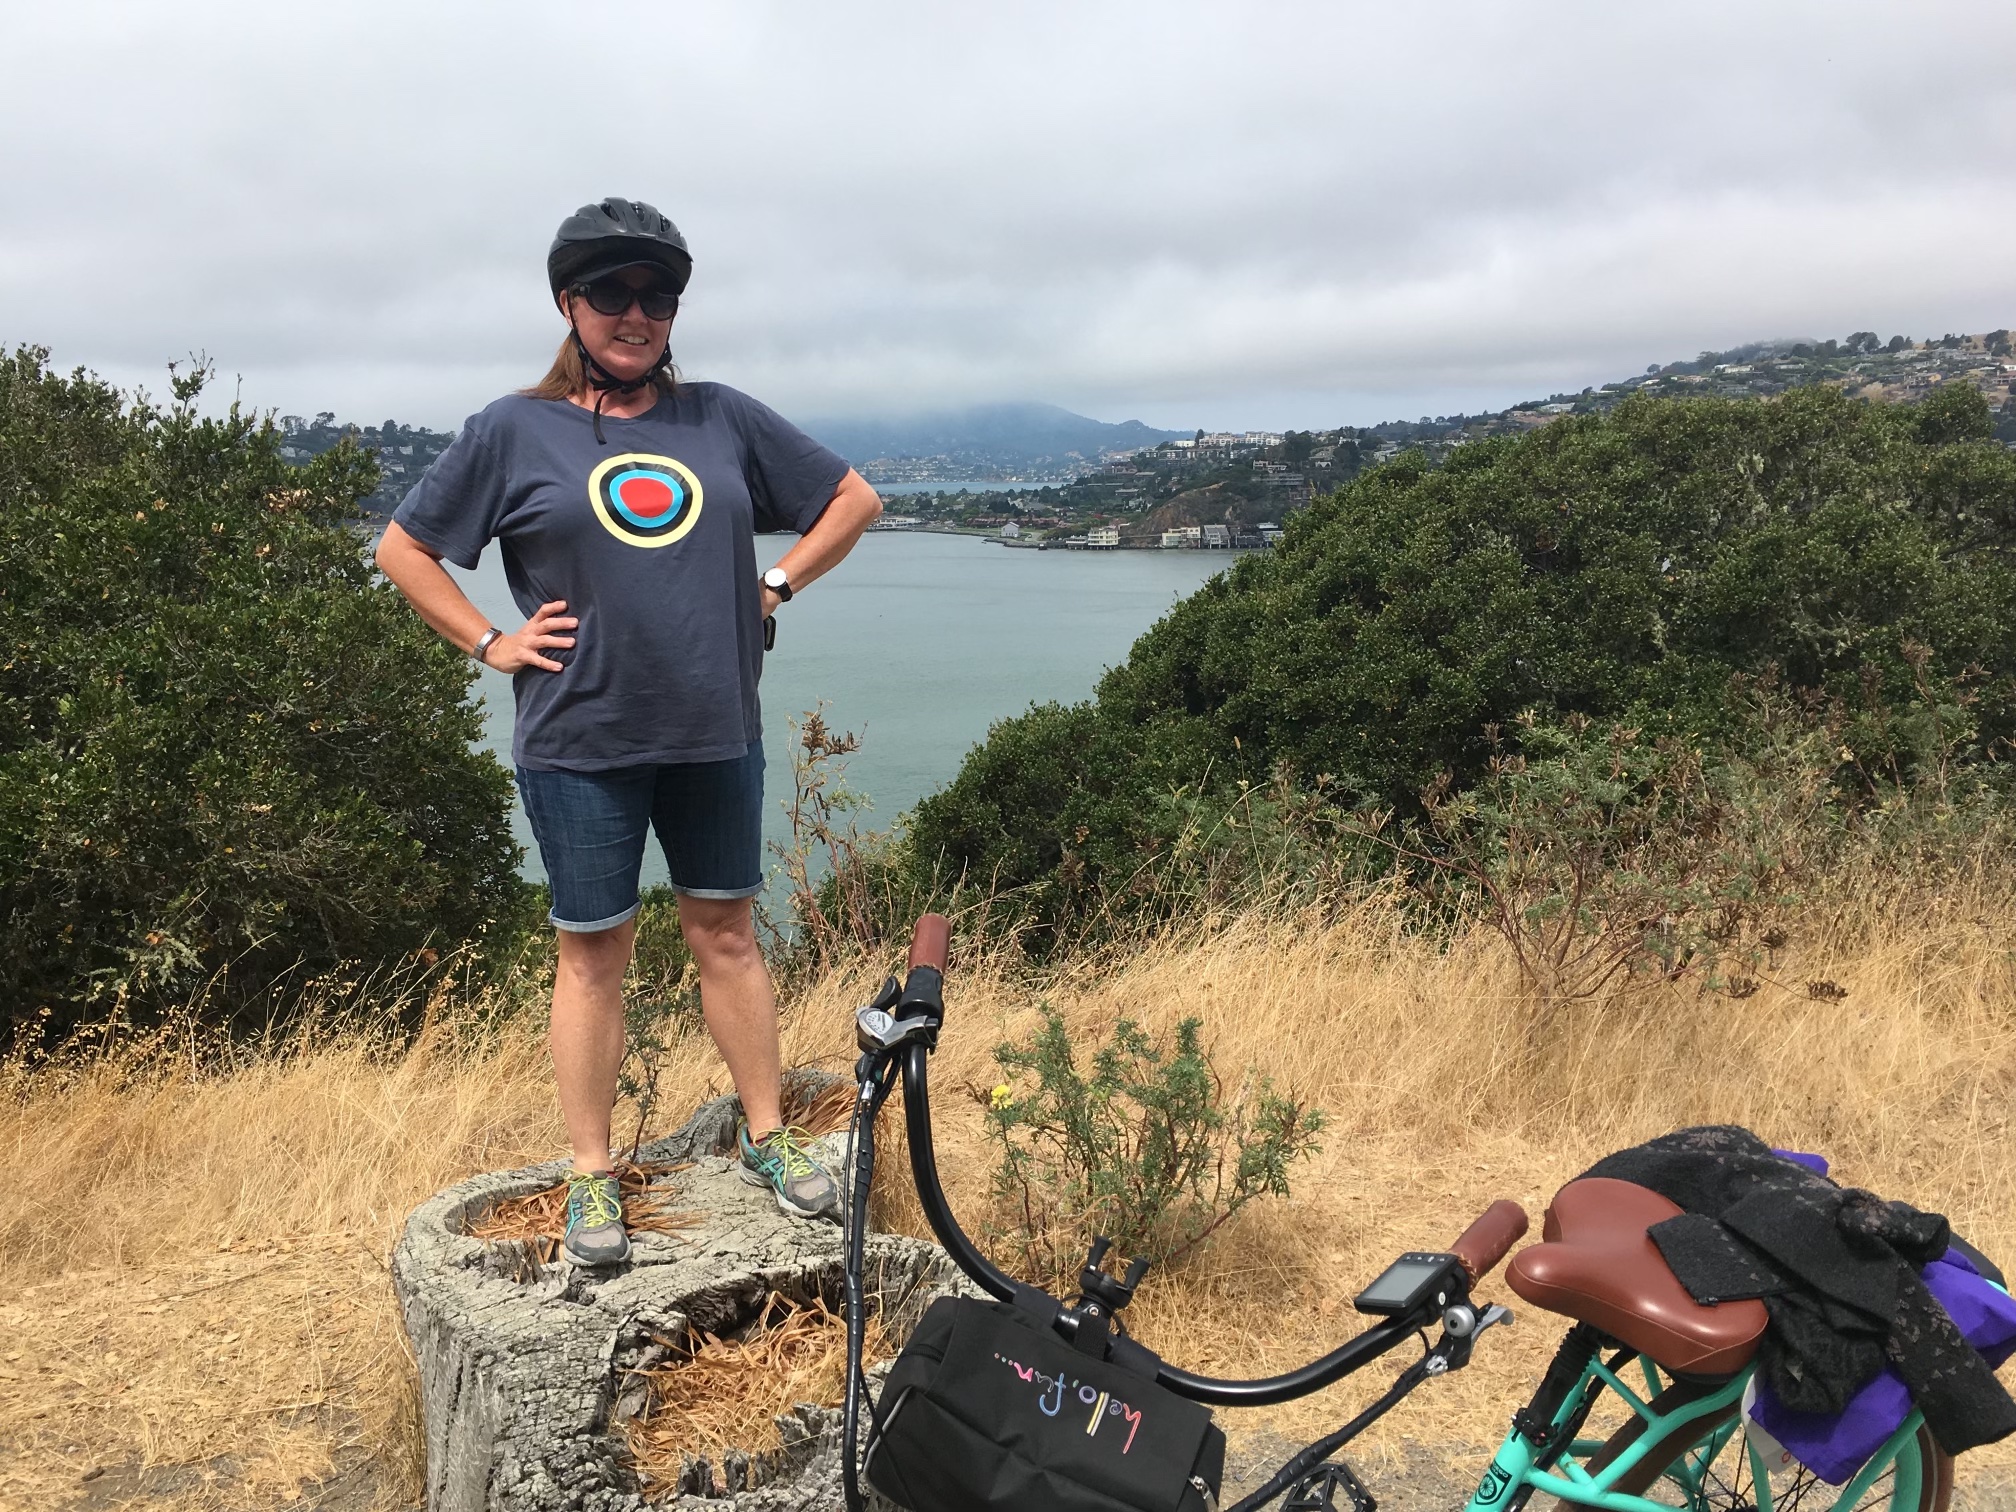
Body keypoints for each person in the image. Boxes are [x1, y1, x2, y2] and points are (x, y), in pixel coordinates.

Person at [376, 198, 881, 1265]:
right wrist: (489, 642)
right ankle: (593, 1173)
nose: (636, 313)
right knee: (593, 953)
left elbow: (852, 498)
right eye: (612, 293)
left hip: (712, 726)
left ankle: (771, 1139)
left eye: (657, 297)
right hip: (579, 734)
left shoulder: (722, 418)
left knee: (728, 936)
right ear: (571, 305)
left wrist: (775, 585)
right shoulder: (514, 429)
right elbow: (405, 548)